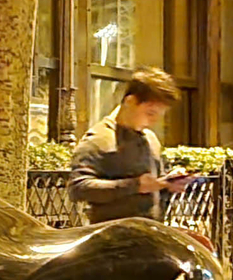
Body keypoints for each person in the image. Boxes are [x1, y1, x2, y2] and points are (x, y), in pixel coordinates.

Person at [70, 69, 190, 223]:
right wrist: (135, 185)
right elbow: (78, 188)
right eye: (150, 113)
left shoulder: (150, 139)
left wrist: (169, 183)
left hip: (150, 232)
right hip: (112, 237)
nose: (154, 121)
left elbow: (154, 186)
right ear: (130, 102)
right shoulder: (99, 139)